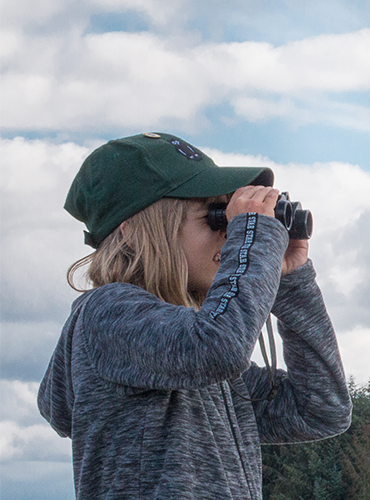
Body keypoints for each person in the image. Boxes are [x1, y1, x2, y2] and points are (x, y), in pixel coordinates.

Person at [38, 132, 352, 499]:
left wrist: (290, 282)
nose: (228, 235)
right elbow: (219, 347)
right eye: (215, 219)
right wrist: (255, 239)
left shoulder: (194, 358)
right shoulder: (109, 314)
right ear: (134, 235)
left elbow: (321, 409)